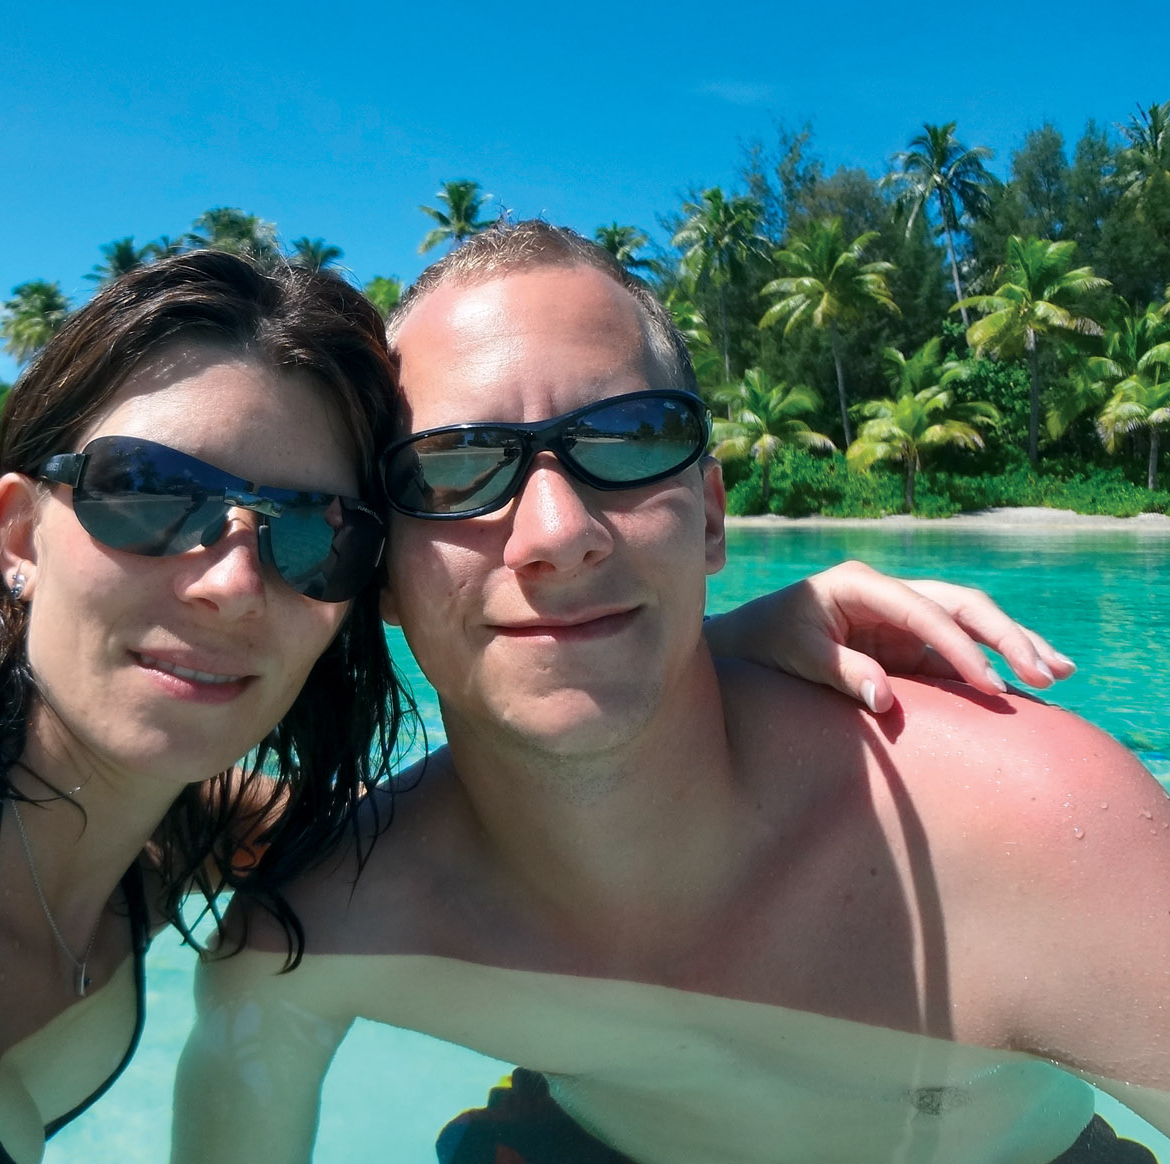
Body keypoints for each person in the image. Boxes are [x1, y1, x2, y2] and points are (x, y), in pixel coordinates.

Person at [0, 250, 1068, 1164]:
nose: (231, 584)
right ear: (22, 534)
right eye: (155, 498)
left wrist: (688, 647)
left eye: (305, 531)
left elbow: (524, 806)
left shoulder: (157, 828)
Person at [171, 224, 1170, 1164]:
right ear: (381, 571)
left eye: (627, 437)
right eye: (454, 470)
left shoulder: (1023, 833)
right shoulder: (325, 925)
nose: (557, 531)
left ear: (707, 519)